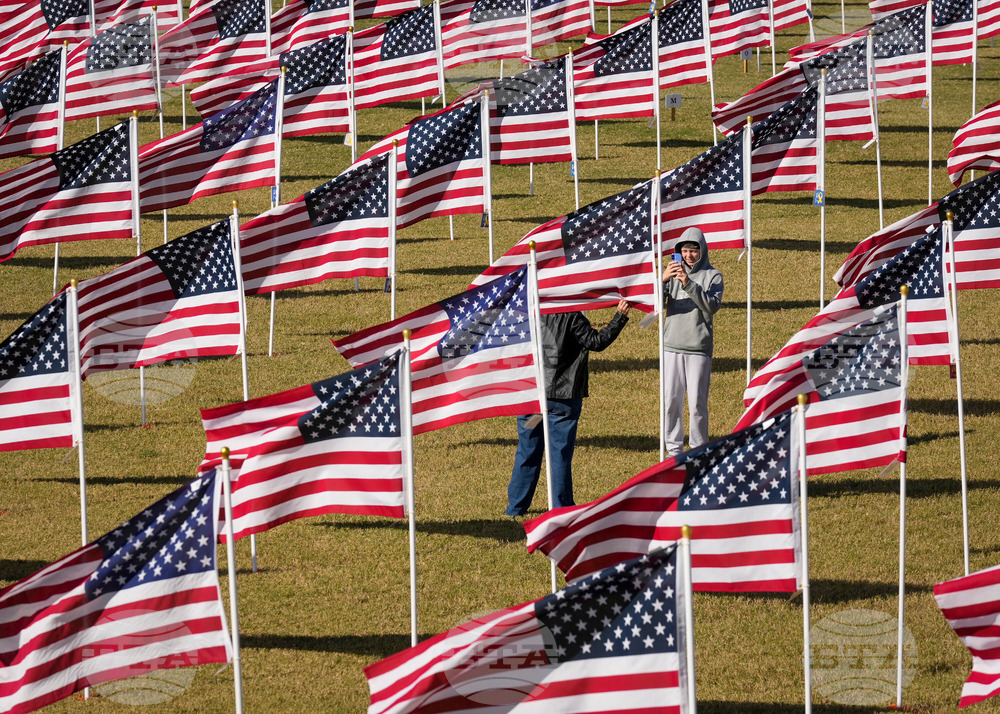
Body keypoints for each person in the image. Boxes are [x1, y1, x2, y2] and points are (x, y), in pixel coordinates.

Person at [506, 300, 632, 517]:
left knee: (527, 450)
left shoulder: (526, 313)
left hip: (532, 398)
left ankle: (515, 508)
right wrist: (619, 317)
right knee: (560, 455)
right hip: (563, 401)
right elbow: (597, 342)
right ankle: (561, 508)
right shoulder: (572, 316)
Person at [662, 227, 724, 456]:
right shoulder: (671, 273)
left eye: (693, 251)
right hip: (672, 345)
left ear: (702, 251)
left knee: (697, 403)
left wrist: (688, 283)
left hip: (699, 348)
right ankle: (673, 448)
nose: (689, 255)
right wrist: (663, 280)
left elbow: (712, 306)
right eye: (685, 251)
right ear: (679, 252)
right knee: (671, 401)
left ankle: (699, 449)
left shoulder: (713, 275)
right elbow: (656, 305)